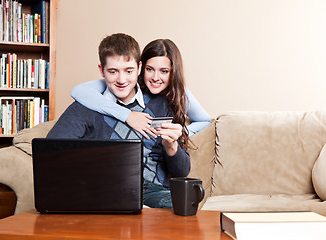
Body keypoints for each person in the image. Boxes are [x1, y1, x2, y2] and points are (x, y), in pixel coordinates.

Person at [47, 33, 190, 209]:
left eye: (129, 71)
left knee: (180, 205)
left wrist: (172, 147)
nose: (121, 80)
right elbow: (50, 155)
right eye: (113, 71)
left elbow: (182, 172)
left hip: (154, 193)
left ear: (139, 68)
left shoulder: (161, 104)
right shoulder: (84, 108)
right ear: (101, 70)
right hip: (104, 190)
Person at [71, 39, 211, 145]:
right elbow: (78, 91)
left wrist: (182, 132)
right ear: (141, 68)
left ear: (173, 72)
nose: (155, 78)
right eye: (149, 69)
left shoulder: (179, 92)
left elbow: (204, 120)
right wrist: (128, 115)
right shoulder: (128, 82)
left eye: (164, 71)